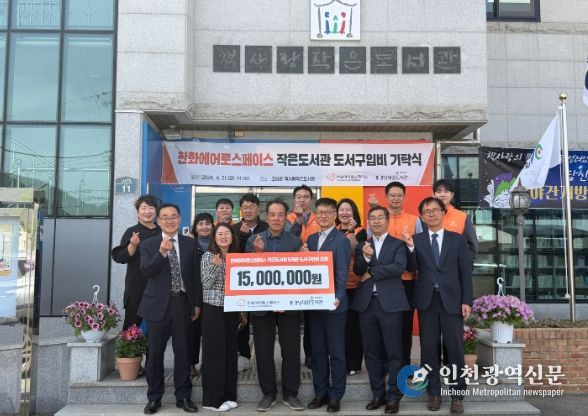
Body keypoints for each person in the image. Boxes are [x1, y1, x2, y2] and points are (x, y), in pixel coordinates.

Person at [403, 197, 473, 415]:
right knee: (429, 349)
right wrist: (411, 248)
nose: (431, 214)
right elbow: (411, 268)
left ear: (443, 213)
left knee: (455, 349)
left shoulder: (457, 239)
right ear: (422, 217)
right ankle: (433, 392)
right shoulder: (417, 240)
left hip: (452, 301)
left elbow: (465, 273)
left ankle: (457, 396)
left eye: (435, 210)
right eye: (427, 212)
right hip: (427, 301)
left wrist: (466, 301)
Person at [138, 203, 202, 414]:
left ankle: (183, 396)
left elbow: (195, 276)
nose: (169, 220)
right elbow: (146, 271)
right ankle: (154, 398)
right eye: (164, 217)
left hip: (182, 303)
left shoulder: (189, 243)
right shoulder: (148, 244)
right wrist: (161, 253)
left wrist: (196, 303)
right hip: (157, 305)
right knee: (155, 354)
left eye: (173, 216)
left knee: (183, 352)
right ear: (158, 221)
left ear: (180, 218)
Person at [245, 199, 304, 412]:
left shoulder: (295, 241)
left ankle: (291, 393)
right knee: (263, 350)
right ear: (266, 216)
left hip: (289, 306)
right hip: (262, 306)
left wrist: (306, 258)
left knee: (291, 350)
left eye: (280, 214)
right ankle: (268, 393)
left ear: (286, 217)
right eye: (272, 214)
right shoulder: (254, 240)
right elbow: (248, 272)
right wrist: (258, 254)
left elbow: (299, 274)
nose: (276, 218)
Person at [352, 206, 409, 414]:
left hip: (391, 304)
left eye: (380, 218)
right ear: (368, 222)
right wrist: (366, 259)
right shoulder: (362, 245)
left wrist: (372, 271)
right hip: (367, 304)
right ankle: (378, 394)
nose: (376, 221)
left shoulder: (398, 244)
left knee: (394, 351)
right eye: (372, 218)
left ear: (387, 220)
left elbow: (399, 267)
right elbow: (358, 271)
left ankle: (394, 396)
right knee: (371, 351)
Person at [304, 197, 351, 413]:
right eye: (319, 212)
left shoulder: (341, 240)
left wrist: (338, 296)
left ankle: (336, 395)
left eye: (327, 212)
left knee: (336, 351)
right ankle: (320, 393)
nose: (323, 216)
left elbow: (342, 272)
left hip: (334, 305)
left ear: (334, 215)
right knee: (318, 351)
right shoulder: (311, 239)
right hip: (314, 305)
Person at [369, 182, 421, 368]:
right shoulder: (378, 218)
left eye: (399, 195)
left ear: (404, 197)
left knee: (405, 326)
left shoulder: (415, 220)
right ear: (386, 197)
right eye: (392, 195)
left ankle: (404, 365)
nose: (396, 198)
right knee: (383, 326)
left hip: (407, 281)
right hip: (383, 282)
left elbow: (419, 249)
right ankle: (385, 365)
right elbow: (370, 247)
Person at [200, 223, 241, 412]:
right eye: (220, 234)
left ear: (232, 237)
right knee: (214, 353)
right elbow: (205, 283)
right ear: (214, 238)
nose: (224, 237)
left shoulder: (235, 257)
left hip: (231, 309)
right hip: (213, 309)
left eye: (227, 233)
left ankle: (228, 395)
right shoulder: (208, 256)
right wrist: (215, 266)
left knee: (230, 352)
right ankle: (211, 400)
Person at [111, 194, 161, 331]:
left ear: (156, 211)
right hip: (136, 288)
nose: (147, 211)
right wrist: (132, 245)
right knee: (131, 327)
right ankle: (128, 345)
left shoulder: (162, 231)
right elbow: (119, 257)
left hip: (159, 287)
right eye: (144, 208)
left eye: (151, 208)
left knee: (157, 328)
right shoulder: (132, 231)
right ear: (137, 212)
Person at [232, 193, 269, 373]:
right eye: (244, 207)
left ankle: (264, 357)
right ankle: (244, 354)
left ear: (258, 209)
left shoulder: (267, 227)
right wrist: (241, 236)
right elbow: (231, 254)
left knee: (263, 319)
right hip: (242, 281)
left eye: (251, 207)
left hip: (264, 281)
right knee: (242, 319)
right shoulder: (234, 228)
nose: (248, 210)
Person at [288, 184, 321, 368]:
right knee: (292, 318)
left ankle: (310, 355)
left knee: (311, 319)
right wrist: (298, 221)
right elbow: (285, 241)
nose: (302, 200)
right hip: (291, 274)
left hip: (313, 273)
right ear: (294, 199)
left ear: (311, 199)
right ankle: (291, 357)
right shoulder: (287, 218)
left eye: (306, 196)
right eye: (298, 197)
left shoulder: (319, 218)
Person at [335, 198, 367, 376]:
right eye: (341, 210)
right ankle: (339, 361)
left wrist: (352, 231)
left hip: (355, 285)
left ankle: (353, 363)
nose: (344, 213)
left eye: (348, 210)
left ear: (354, 213)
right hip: (337, 284)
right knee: (339, 327)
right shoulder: (333, 231)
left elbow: (355, 250)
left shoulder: (361, 231)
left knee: (354, 326)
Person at [188, 212, 214, 378]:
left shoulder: (218, 243)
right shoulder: (189, 244)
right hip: (193, 294)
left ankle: (209, 363)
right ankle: (191, 363)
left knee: (211, 331)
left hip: (213, 294)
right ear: (195, 227)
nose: (204, 227)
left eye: (208, 223)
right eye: (201, 223)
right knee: (192, 331)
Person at [432, 179, 478, 262]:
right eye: (439, 191)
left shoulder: (462, 217)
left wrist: (462, 263)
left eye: (446, 191)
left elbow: (473, 246)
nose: (442, 195)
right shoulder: (426, 217)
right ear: (434, 195)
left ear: (452, 195)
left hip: (454, 266)